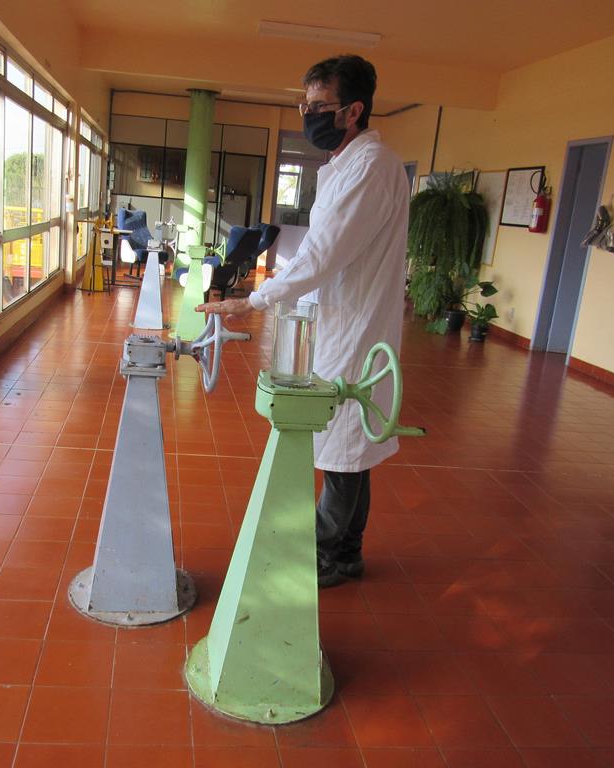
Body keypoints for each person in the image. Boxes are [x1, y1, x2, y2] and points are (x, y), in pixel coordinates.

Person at [196, 54, 409, 587]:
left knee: (342, 443)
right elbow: (325, 252)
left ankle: (328, 552)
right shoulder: (348, 165)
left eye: (318, 106)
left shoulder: (370, 167)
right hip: (343, 316)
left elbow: (320, 254)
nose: (306, 114)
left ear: (353, 110)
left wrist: (253, 301)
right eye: (304, 103)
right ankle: (347, 551)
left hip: (356, 326)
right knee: (348, 443)